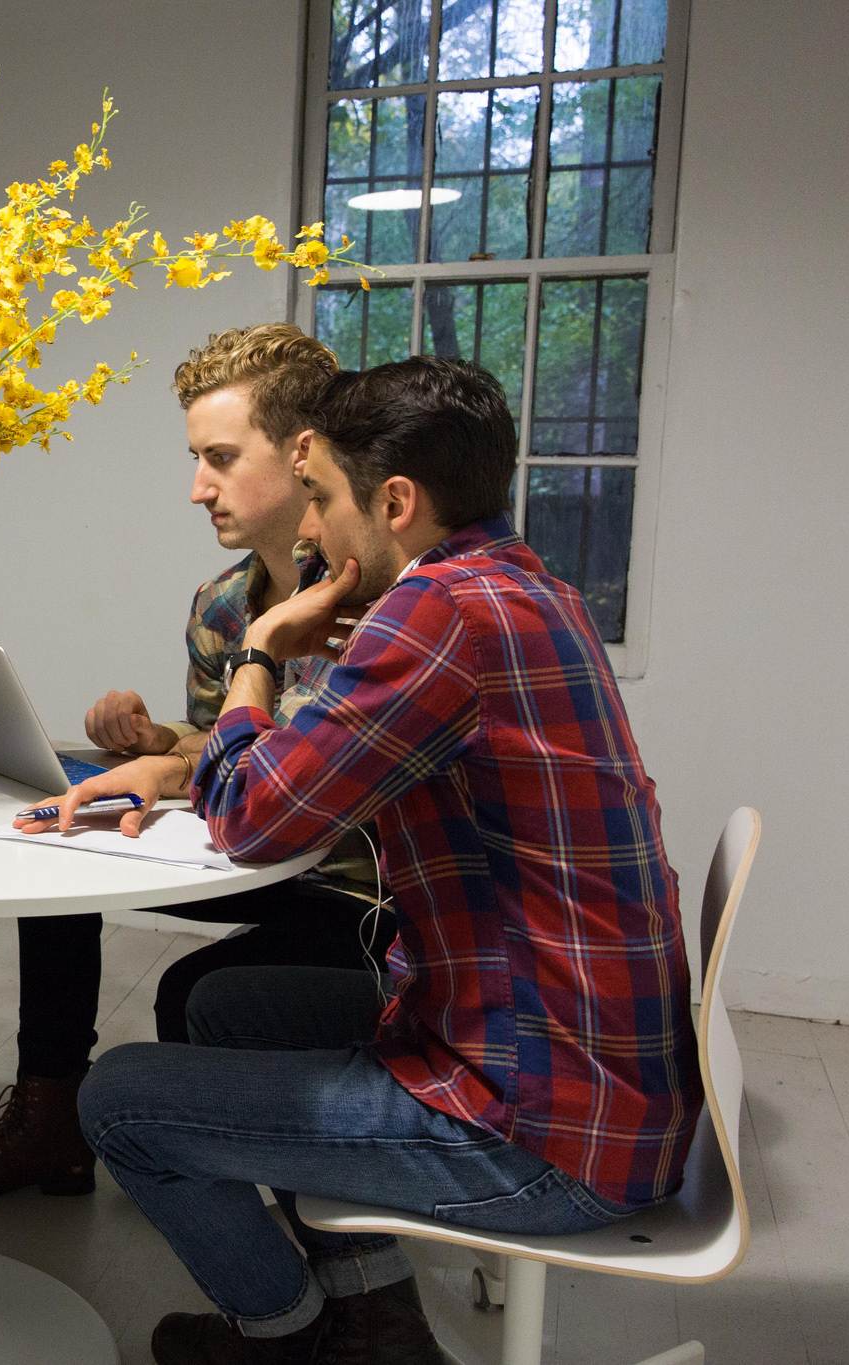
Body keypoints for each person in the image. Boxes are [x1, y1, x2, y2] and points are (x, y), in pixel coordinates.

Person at [41, 357, 701, 1364]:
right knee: (225, 1008)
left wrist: (259, 651)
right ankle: (366, 1317)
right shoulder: (524, 587)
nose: (306, 532)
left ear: (393, 502)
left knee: (116, 1102)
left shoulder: (439, 617)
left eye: (317, 498)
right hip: (589, 1074)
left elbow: (258, 819)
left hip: (543, 1130)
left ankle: (285, 1335)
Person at [0, 325, 395, 1207]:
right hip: (259, 853)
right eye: (196, 458)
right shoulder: (221, 603)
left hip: (351, 886)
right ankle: (51, 1118)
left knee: (195, 980)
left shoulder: (357, 600)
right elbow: (215, 741)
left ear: (303, 455)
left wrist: (174, 769)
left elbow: (285, 772)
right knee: (58, 834)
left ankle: (187, 1163)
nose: (197, 489)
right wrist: (156, 746)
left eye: (220, 458)